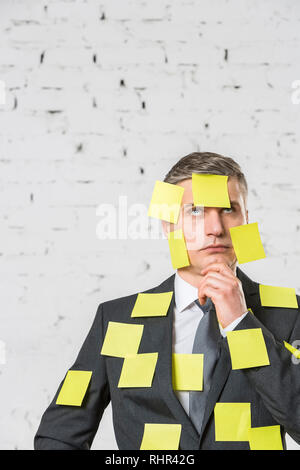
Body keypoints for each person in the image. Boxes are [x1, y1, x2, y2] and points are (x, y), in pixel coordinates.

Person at [34, 152, 300, 450]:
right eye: (196, 210)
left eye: (229, 209)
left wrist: (241, 323)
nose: (215, 228)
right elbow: (58, 436)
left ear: (246, 221)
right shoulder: (117, 319)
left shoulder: (290, 314)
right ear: (168, 225)